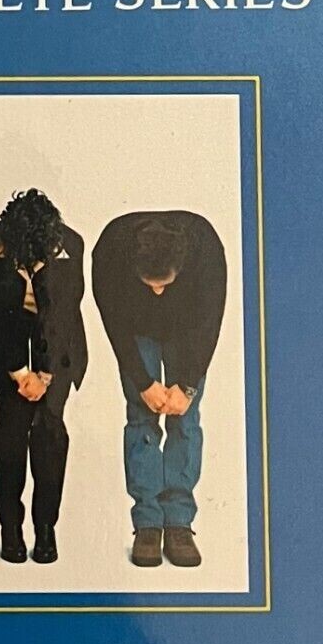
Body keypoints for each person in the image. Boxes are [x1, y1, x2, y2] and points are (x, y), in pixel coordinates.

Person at [91, 211, 227, 568]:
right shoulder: (111, 248)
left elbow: (209, 322)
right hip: (136, 329)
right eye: (149, 284)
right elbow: (114, 324)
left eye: (164, 284)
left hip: (188, 331)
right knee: (141, 416)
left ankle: (179, 521)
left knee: (185, 419)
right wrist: (143, 382)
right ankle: (148, 523)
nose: (157, 291)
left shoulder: (206, 248)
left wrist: (188, 386)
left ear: (181, 267)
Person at [0, 190, 87, 565]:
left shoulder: (70, 245)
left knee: (50, 434)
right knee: (10, 434)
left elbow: (61, 315)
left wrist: (46, 374)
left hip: (57, 346)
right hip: (6, 340)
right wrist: (21, 373)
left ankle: (46, 527)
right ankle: (10, 526)